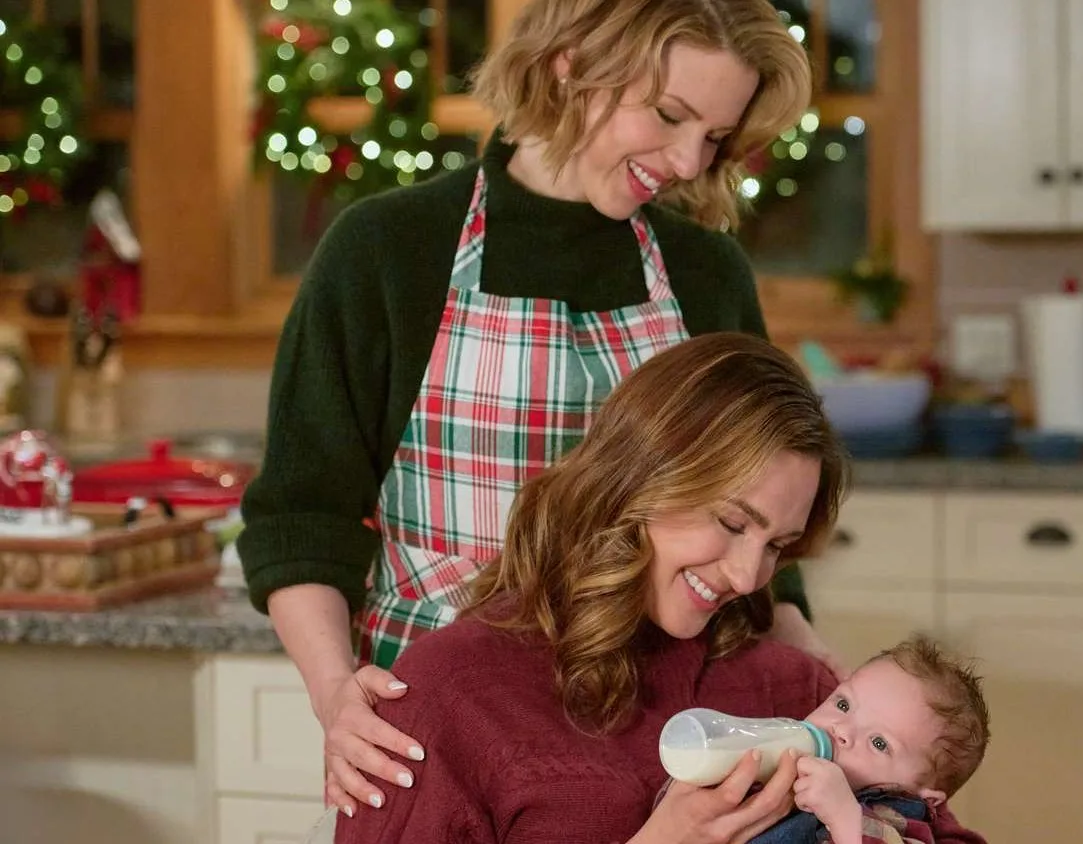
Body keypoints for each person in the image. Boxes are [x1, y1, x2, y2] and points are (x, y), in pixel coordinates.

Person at [235, 0, 838, 817]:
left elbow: (761, 516)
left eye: (716, 137)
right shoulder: (389, 250)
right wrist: (336, 693)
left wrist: (818, 678)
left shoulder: (705, 273)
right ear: (569, 64)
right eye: (669, 115)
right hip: (442, 746)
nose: (690, 160)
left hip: (662, 746)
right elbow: (302, 517)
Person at [332, 333, 986, 844]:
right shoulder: (451, 697)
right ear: (638, 479)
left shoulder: (802, 699)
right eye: (732, 523)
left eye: (777, 547)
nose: (746, 575)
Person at [742, 634, 991, 844]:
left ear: (924, 798)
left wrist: (845, 817)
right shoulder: (777, 767)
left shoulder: (897, 818)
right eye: (842, 704)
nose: (841, 730)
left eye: (878, 743)